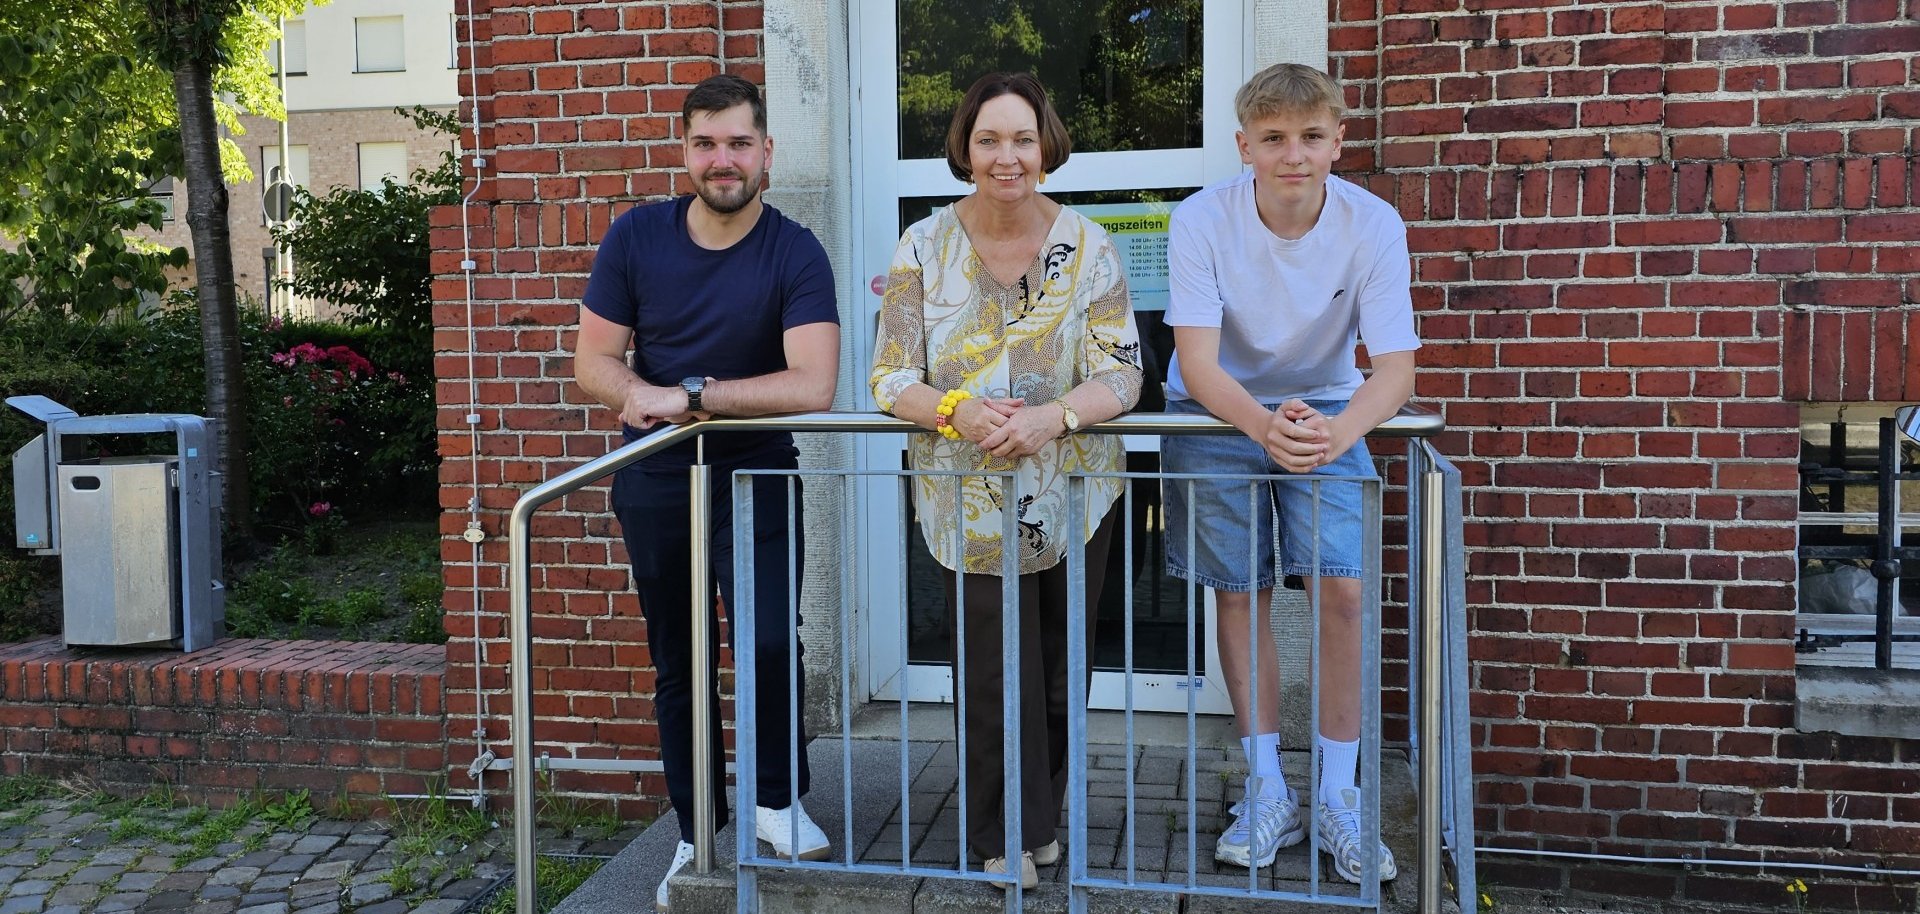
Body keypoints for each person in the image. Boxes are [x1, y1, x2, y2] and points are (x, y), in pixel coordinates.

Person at [570, 73, 840, 912]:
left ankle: (776, 800)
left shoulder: (795, 251)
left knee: (769, 642)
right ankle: (698, 828)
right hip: (657, 477)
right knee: (680, 661)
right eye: (706, 143)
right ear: (684, 151)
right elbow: (593, 362)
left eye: (739, 143)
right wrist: (635, 394)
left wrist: (688, 395)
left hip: (757, 471)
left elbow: (813, 383)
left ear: (767, 152)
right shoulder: (635, 237)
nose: (723, 160)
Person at [869, 72, 1143, 891]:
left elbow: (1123, 372)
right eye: (988, 139)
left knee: (1060, 668)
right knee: (993, 670)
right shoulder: (923, 246)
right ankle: (1001, 836)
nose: (1006, 156)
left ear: (1045, 144)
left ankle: (1041, 819)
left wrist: (1054, 416)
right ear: (965, 147)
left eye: (1022, 138)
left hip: (1075, 490)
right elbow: (890, 377)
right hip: (969, 499)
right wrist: (956, 410)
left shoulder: (1091, 247)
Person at [1161, 63, 1418, 883]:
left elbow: (1396, 370)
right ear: (1245, 146)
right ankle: (1268, 788)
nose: (1293, 155)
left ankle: (1340, 796)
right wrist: (1262, 426)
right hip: (1216, 414)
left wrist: (1336, 432)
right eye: (1273, 138)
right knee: (1239, 592)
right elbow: (1198, 362)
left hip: (1328, 409)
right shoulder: (1201, 219)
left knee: (1343, 591)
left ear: (1339, 141)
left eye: (1311, 136)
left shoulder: (1373, 223)